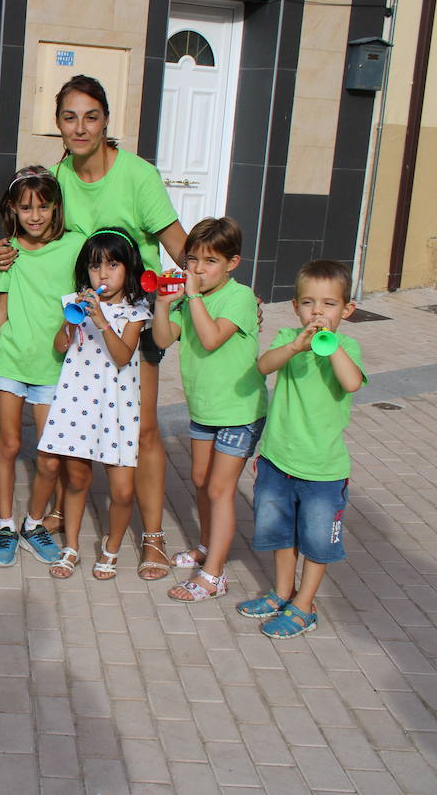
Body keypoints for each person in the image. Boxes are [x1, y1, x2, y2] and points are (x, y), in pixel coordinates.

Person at [0, 75, 188, 580]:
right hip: (83, 325)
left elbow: (179, 245)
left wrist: (223, 289)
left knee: (143, 431)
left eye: (91, 116)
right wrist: (5, 249)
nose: (80, 127)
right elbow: (39, 231)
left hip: (133, 319)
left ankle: (153, 538)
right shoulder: (58, 175)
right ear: (57, 124)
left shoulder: (137, 176)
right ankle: (60, 510)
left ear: (106, 121)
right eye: (70, 117)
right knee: (73, 416)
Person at [237, 260, 364, 638]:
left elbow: (352, 382)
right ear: (296, 307)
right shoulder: (288, 339)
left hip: (323, 471)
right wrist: (295, 344)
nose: (318, 313)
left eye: (329, 305)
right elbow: (263, 366)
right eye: (309, 303)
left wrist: (332, 345)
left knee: (317, 543)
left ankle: (304, 605)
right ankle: (281, 592)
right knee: (280, 534)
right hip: (279, 460)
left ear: (347, 310)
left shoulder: (349, 346)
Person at [150, 217, 267, 602]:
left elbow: (213, 338)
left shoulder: (240, 297)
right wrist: (165, 306)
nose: (198, 270)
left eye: (209, 262)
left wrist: (193, 296)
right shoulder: (188, 298)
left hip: (239, 411)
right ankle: (204, 545)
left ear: (232, 263)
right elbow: (164, 339)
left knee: (219, 489)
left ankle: (214, 574)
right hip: (204, 410)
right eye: (193, 261)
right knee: (200, 479)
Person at [0, 167, 83, 567]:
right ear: (13, 209)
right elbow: (1, 308)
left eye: (43, 206)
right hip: (9, 360)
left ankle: (34, 522)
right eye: (26, 207)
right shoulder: (10, 251)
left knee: (49, 455)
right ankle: (6, 526)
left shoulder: (76, 245)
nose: (36, 215)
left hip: (55, 366)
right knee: (7, 445)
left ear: (56, 207)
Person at [40, 230, 150, 580]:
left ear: (128, 268)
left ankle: (112, 547)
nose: (102, 275)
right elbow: (59, 347)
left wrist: (102, 321)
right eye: (94, 266)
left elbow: (121, 357)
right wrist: (70, 327)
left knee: (122, 490)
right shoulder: (77, 303)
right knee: (76, 479)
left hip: (117, 408)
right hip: (78, 401)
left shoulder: (135, 312)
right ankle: (71, 546)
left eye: (113, 265)